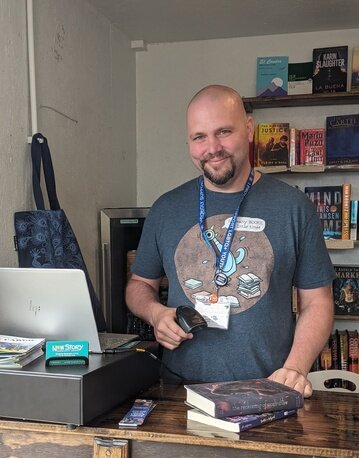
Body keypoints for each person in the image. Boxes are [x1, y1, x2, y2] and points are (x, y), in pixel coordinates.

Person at [126, 84, 335, 397]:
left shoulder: (294, 208)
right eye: (199, 137)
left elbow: (317, 302)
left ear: (249, 129)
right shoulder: (166, 208)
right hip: (178, 389)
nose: (212, 148)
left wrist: (295, 367)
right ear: (189, 141)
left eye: (224, 131)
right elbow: (139, 285)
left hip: (267, 390)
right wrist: (156, 314)